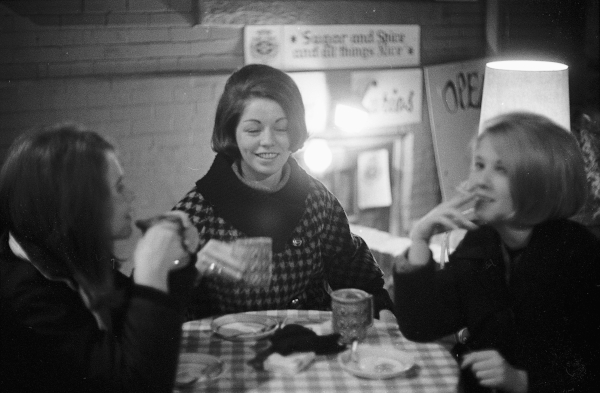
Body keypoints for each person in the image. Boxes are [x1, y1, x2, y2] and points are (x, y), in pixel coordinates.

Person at [394, 112, 600, 392]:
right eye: (479, 165)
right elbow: (421, 325)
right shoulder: (482, 242)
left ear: (539, 181)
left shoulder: (580, 255)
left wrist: (522, 380)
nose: (480, 180)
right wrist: (419, 238)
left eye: (500, 170)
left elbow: (589, 365)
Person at [173, 64, 395, 321]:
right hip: (233, 349)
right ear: (232, 133)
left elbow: (357, 276)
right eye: (253, 130)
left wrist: (382, 309)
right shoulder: (196, 212)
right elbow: (156, 302)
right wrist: (190, 271)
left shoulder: (317, 200)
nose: (268, 141)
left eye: (281, 127)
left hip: (309, 344)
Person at [0, 124, 197, 392]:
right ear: (77, 206)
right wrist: (151, 270)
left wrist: (176, 260)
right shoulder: (25, 299)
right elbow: (136, 385)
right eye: (119, 187)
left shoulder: (68, 257)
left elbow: (150, 337)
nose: (131, 195)